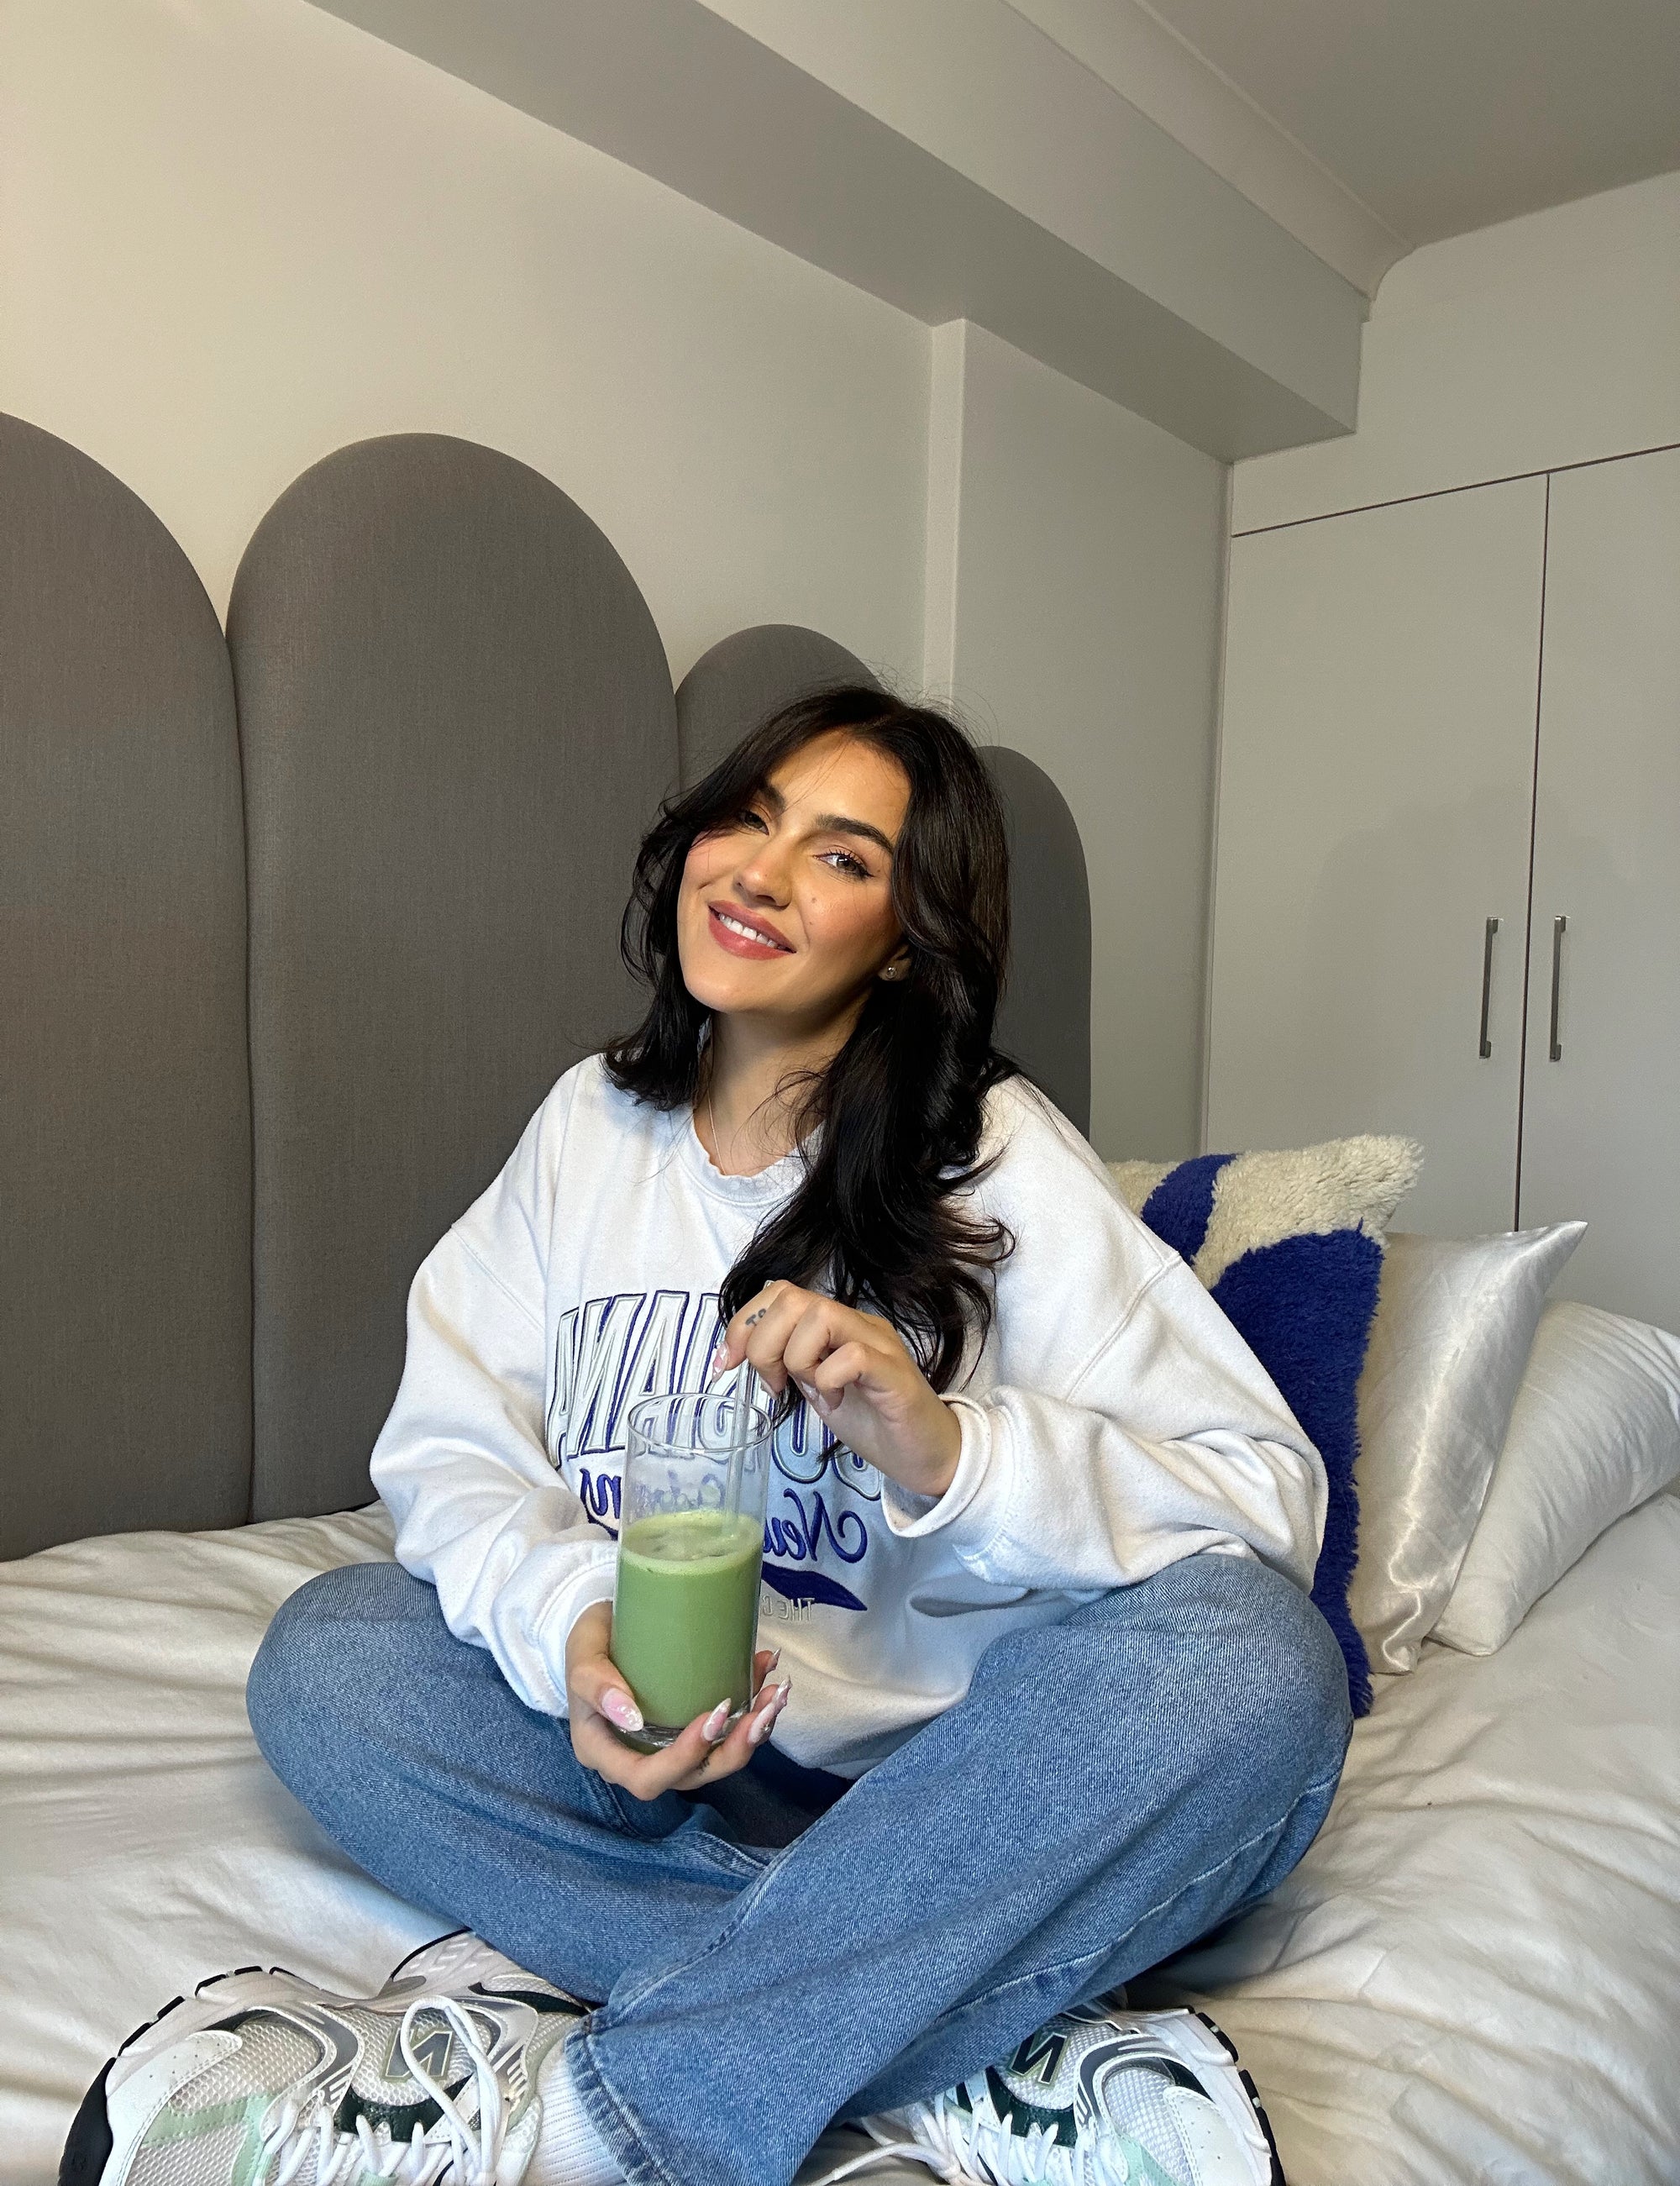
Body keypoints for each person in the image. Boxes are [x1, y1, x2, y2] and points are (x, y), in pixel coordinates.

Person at [66, 689, 1351, 2186]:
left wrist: (949, 1449)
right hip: (662, 1780)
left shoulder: (995, 1161)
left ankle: (609, 2112)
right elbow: (450, 1449)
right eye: (750, 816)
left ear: (909, 937)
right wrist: (571, 1631)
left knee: (1260, 1665)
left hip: (975, 1791)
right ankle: (966, 2019)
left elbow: (1268, 1498)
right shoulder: (585, 1130)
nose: (761, 870)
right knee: (329, 1656)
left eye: (843, 856)